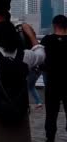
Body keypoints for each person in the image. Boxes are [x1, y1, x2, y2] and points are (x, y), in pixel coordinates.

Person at [42, 14, 67, 142]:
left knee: (51, 113)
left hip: (52, 83)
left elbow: (41, 58)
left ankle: (50, 138)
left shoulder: (47, 40)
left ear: (54, 25)